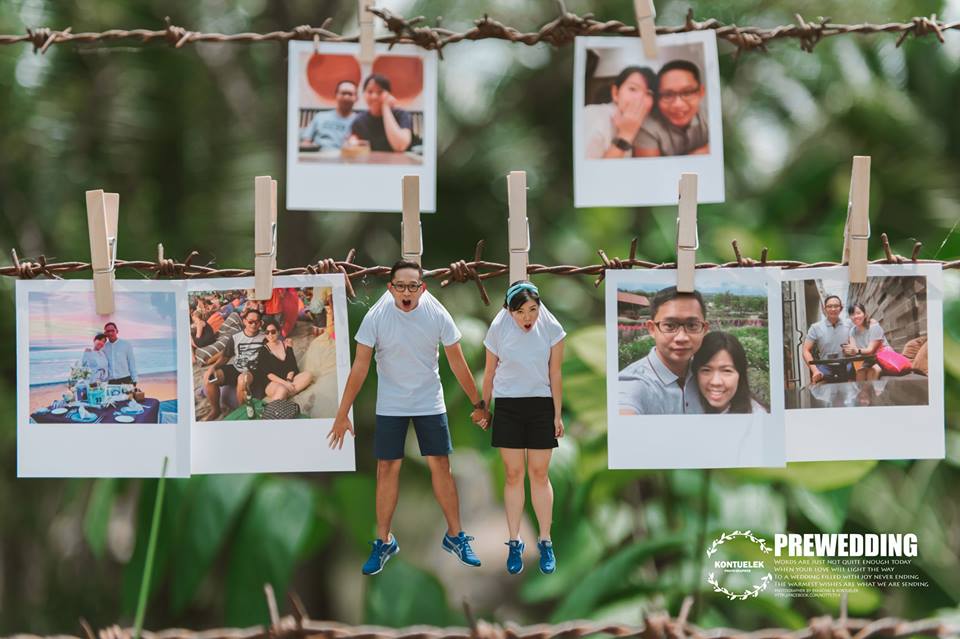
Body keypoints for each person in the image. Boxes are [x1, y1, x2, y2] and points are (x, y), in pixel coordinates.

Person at [327, 260, 485, 576]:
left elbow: (457, 362)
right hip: (392, 404)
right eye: (400, 286)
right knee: (387, 467)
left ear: (422, 288)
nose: (407, 292)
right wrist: (342, 413)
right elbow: (359, 368)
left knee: (441, 463)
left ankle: (455, 535)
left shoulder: (436, 313)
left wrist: (478, 403)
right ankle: (383, 540)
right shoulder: (377, 317)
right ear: (391, 288)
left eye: (413, 286)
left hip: (429, 400)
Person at [475, 281, 565, 575]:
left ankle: (546, 540)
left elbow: (555, 372)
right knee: (514, 475)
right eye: (521, 312)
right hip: (509, 406)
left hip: (540, 405)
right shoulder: (499, 328)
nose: (528, 317)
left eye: (533, 310)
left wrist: (557, 414)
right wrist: (483, 407)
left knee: (539, 474)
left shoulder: (550, 327)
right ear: (509, 311)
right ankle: (514, 541)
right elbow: (489, 373)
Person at [618, 286, 707, 415]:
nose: (681, 338)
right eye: (670, 326)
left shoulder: (709, 375)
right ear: (652, 329)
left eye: (692, 325)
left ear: (704, 329)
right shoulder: (632, 384)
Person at [583, 66, 660, 159]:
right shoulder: (591, 114)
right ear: (615, 93)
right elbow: (592, 172)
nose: (640, 98)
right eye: (632, 89)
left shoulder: (646, 126)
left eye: (649, 93)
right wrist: (625, 135)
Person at [636, 60, 709, 156]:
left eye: (687, 93)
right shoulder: (647, 128)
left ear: (701, 92)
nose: (677, 104)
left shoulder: (711, 116)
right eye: (667, 95)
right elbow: (650, 170)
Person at [203, 308, 265, 420]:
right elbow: (225, 357)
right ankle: (216, 410)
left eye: (257, 322)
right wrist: (213, 367)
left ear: (260, 323)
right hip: (236, 368)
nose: (253, 324)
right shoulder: (236, 337)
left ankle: (241, 413)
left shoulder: (264, 337)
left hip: (253, 371)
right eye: (250, 321)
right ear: (244, 321)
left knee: (243, 380)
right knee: (210, 377)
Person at [691, 331, 765, 413]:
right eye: (706, 370)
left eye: (726, 371)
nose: (716, 382)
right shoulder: (687, 408)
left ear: (740, 374)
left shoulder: (757, 418)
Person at [250, 318, 314, 402]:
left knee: (308, 375)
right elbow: (269, 375)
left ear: (278, 332)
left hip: (289, 380)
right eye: (267, 332)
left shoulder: (286, 345)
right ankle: (276, 405)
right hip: (273, 383)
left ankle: (285, 395)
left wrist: (288, 380)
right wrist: (285, 384)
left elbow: (292, 366)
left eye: (273, 332)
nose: (270, 335)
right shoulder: (263, 350)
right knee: (282, 389)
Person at [348, 74, 414, 153]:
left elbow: (400, 146)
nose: (374, 96)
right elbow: (353, 144)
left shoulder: (401, 114)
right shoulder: (359, 120)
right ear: (364, 94)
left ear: (388, 94)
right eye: (370, 92)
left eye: (380, 92)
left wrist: (385, 107)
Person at [802, 295, 853, 383]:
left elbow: (863, 329)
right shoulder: (815, 327)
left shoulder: (849, 324)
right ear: (824, 308)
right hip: (824, 367)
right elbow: (805, 350)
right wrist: (815, 371)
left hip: (845, 365)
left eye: (836, 306)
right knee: (820, 389)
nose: (833, 309)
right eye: (829, 306)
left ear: (841, 308)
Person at [299, 79, 358, 149]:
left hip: (346, 158)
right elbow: (306, 141)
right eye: (343, 93)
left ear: (356, 98)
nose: (346, 97)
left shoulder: (360, 121)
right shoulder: (320, 117)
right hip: (319, 157)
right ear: (336, 95)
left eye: (350, 94)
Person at [843, 303, 886, 381]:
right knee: (860, 372)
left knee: (872, 372)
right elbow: (854, 350)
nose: (855, 316)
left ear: (865, 314)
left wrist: (856, 350)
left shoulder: (874, 327)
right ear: (850, 317)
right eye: (852, 314)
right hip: (868, 360)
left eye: (858, 313)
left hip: (882, 358)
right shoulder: (852, 331)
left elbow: (870, 350)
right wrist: (848, 351)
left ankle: (873, 393)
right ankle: (861, 393)